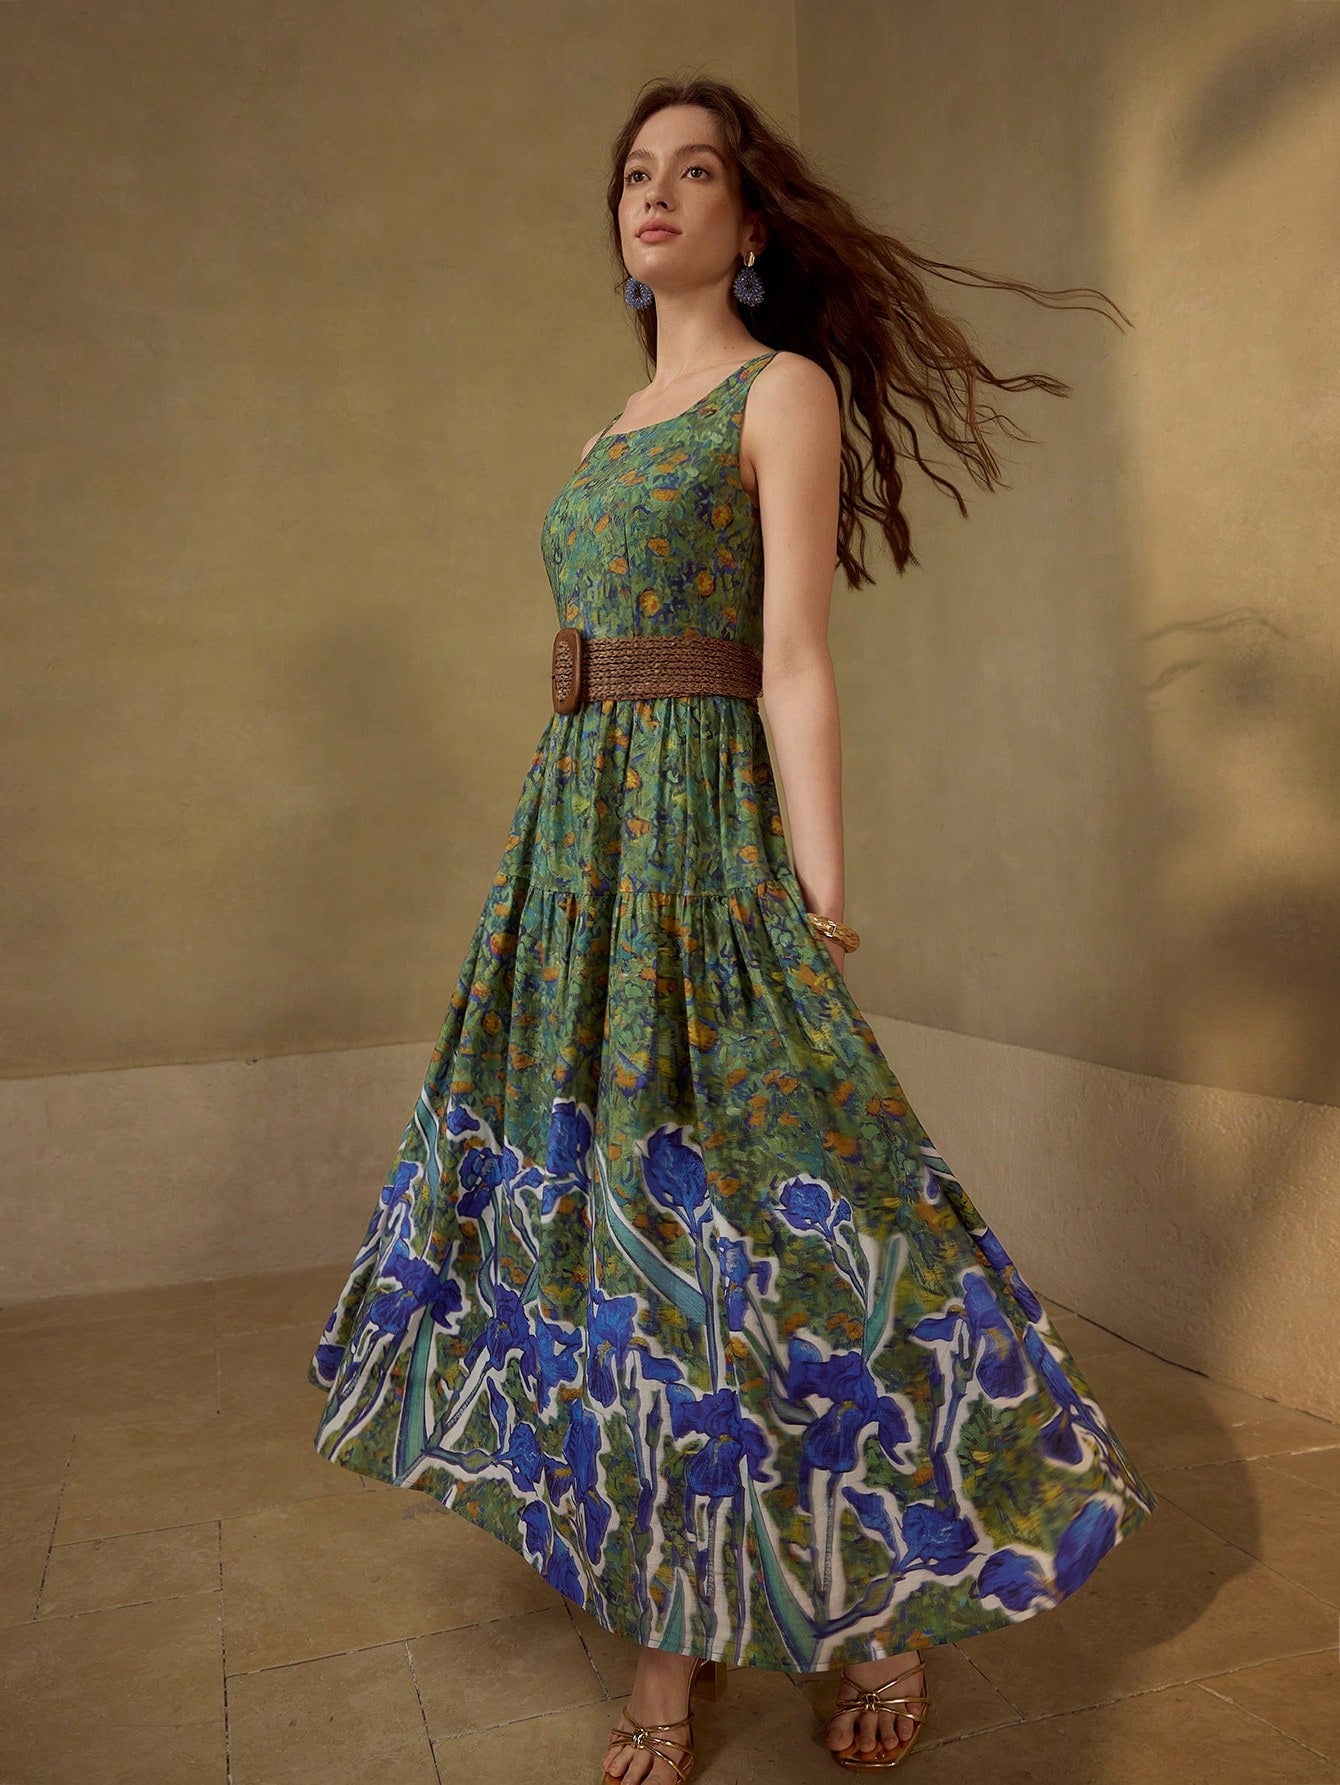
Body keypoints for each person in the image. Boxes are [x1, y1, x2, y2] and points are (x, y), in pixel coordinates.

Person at [307, 74, 1157, 1784]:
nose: (657, 192)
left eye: (696, 172)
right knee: (616, 1230)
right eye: (637, 171)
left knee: (782, 1213)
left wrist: (819, 888)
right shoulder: (611, 430)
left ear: (750, 222)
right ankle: (673, 1625)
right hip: (579, 847)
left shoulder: (783, 392)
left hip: (702, 835)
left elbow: (792, 660)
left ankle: (878, 1604)